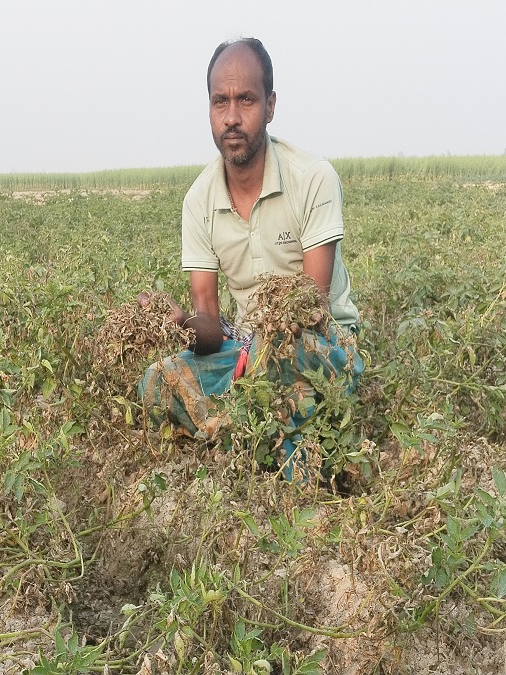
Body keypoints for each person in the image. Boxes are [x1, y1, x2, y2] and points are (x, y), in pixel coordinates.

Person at [138, 37, 362, 479]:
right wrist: (181, 322)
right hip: (243, 349)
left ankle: (246, 433)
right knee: (155, 384)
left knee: (277, 363)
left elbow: (311, 309)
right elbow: (209, 325)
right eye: (220, 102)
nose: (232, 118)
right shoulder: (198, 200)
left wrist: (252, 359)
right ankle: (263, 431)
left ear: (271, 106)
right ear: (209, 110)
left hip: (321, 344)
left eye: (247, 100)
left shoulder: (313, 178)